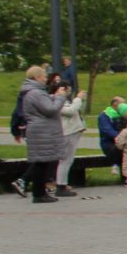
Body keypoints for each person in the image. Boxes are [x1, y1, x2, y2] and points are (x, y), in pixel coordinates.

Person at [18, 66, 68, 204]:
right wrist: (60, 98)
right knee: (42, 163)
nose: (46, 79)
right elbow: (50, 110)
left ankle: (39, 192)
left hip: (39, 130)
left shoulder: (32, 92)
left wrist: (52, 97)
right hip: (42, 131)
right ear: (37, 77)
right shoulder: (36, 93)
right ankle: (39, 193)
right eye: (44, 76)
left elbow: (43, 105)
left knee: (43, 161)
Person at [54, 80, 87, 197]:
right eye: (66, 90)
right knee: (65, 160)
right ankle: (61, 186)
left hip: (71, 131)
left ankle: (62, 184)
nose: (68, 93)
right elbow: (70, 111)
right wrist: (78, 99)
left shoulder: (61, 100)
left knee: (68, 160)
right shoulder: (55, 100)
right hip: (67, 133)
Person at [97, 97, 127, 172]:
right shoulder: (104, 116)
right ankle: (115, 165)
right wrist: (121, 138)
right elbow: (108, 130)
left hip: (124, 142)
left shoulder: (124, 115)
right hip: (109, 143)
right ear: (115, 104)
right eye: (122, 104)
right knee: (119, 149)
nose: (124, 105)